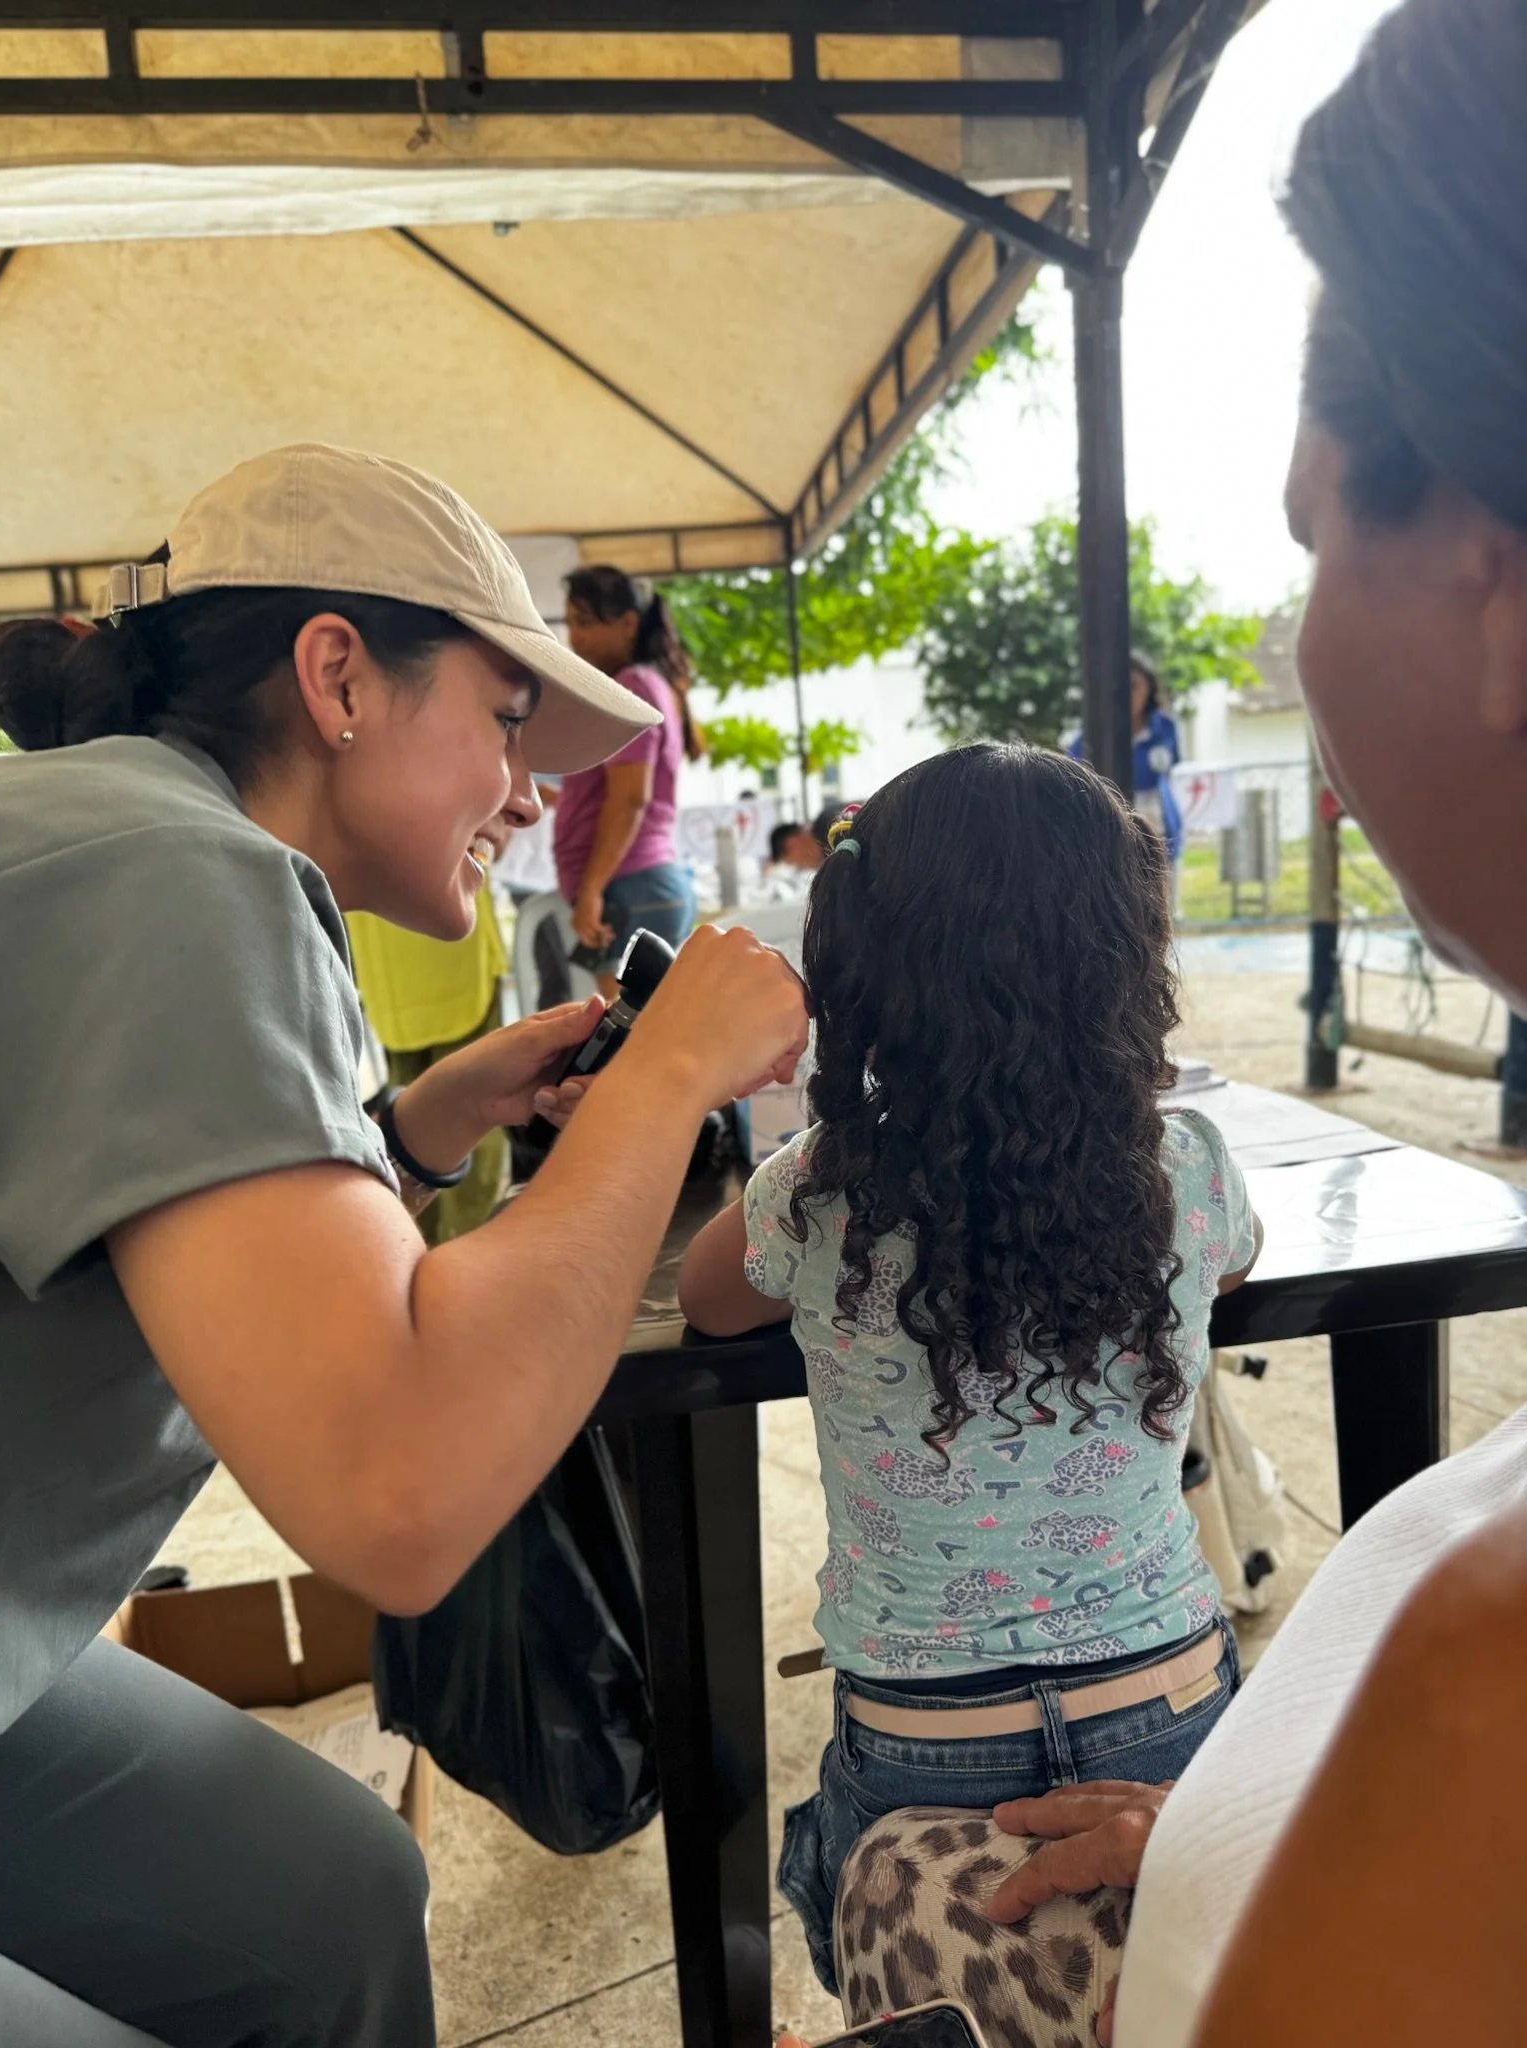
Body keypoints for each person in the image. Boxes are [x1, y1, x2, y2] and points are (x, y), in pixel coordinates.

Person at [802, 5, 1527, 2045]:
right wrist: (1233, 1789)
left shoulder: (1485, 1672)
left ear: (1494, 588)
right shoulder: (1189, 1179)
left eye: (1309, 534)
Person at [0, 443, 807, 2047]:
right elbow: (399, 1491)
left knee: (331, 1902)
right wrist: (667, 1083)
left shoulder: (121, 832)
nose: (527, 791)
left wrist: (420, 1125)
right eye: (508, 723)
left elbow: (198, 1250)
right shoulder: (186, 874)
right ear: (337, 676)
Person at [677, 744, 1261, 1991]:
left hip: (922, 1737)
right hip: (1169, 1698)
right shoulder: (1191, 1170)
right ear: (1123, 956)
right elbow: (1234, 1263)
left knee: (944, 1990)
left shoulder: (813, 1195)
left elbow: (704, 1299)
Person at [553, 565, 702, 998]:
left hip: (629, 888)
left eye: (585, 622)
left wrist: (591, 891)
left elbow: (631, 800)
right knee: (643, 1040)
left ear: (627, 623)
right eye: (570, 623)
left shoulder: (631, 685)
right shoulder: (652, 683)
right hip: (642, 884)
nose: (574, 638)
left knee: (628, 1047)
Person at [345, 878, 511, 1243]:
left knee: (410, 1118)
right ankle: (461, 1243)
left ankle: (426, 1245)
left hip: (394, 965)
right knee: (477, 1106)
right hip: (439, 949)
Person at [1069, 653, 1184, 866]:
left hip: (1160, 830)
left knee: (1163, 896)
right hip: (1110, 832)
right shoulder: (1093, 736)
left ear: (1148, 687)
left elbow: (1167, 769)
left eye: (1133, 686)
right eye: (1118, 687)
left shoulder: (1165, 728)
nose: (1125, 695)